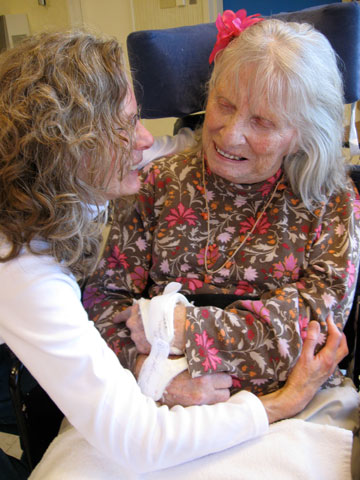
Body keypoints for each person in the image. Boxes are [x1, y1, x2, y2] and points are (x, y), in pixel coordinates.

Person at [0, 28, 347, 479]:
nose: (229, 132)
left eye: (261, 122)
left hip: (288, 403)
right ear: (72, 151)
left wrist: (180, 329)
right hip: (149, 399)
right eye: (223, 104)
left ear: (303, 133)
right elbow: (102, 305)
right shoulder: (150, 185)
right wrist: (155, 373)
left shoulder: (328, 199)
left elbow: (319, 331)